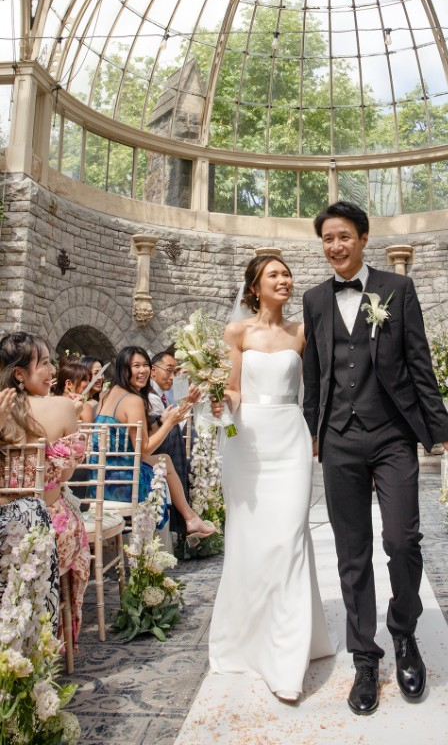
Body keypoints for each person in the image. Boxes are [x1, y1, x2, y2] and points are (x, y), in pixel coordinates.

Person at [302, 201, 448, 715]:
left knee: (402, 540)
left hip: (393, 435)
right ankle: (365, 657)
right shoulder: (314, 300)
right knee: (351, 552)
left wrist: (442, 431)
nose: (335, 246)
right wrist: (313, 432)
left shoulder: (397, 289)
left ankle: (404, 632)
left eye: (343, 236)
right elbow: (315, 374)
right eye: (328, 238)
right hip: (339, 439)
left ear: (363, 238)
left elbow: (420, 364)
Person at [208, 254, 336, 703]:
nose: (284, 280)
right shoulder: (237, 332)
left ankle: (287, 658)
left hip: (290, 439)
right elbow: (233, 388)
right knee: (249, 539)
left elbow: (316, 387)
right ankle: (249, 640)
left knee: (289, 537)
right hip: (247, 440)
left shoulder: (302, 332)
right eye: (274, 275)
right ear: (255, 286)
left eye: (286, 274)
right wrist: (221, 402)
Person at [0, 332, 90, 643]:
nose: (53, 371)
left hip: (4, 529)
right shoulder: (62, 406)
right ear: (19, 373)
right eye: (45, 363)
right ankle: (54, 633)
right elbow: (66, 476)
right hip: (49, 529)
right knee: (70, 514)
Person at [94, 346, 215, 544]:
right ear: (123, 368)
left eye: (145, 365)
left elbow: (133, 437)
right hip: (124, 482)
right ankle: (189, 518)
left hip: (101, 475)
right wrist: (168, 424)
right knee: (164, 462)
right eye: (136, 366)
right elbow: (143, 451)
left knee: (164, 460)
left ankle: (190, 518)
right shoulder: (133, 400)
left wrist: (162, 420)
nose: (143, 370)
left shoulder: (107, 394)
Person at [149, 350, 200, 538]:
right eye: (170, 371)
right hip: (171, 444)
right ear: (153, 370)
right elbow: (172, 422)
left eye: (176, 372)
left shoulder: (165, 393)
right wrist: (186, 402)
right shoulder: (155, 396)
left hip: (197, 434)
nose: (173, 377)